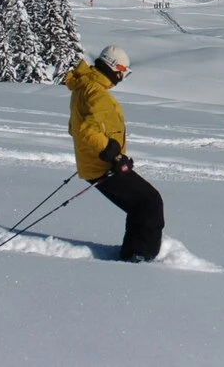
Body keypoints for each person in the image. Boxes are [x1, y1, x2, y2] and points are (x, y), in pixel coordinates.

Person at [64, 45, 165, 263]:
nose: (122, 76)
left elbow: (78, 127)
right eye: (123, 71)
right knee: (150, 202)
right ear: (114, 67)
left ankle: (135, 252)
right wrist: (113, 154)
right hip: (104, 166)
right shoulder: (96, 92)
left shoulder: (86, 86)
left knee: (141, 204)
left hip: (97, 163)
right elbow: (86, 130)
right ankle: (138, 256)